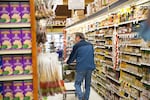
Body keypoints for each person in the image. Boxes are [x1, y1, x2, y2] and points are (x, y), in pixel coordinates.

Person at [67, 32, 95, 100]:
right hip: (90, 67)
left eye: (75, 38)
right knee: (87, 85)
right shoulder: (90, 45)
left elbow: (72, 57)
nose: (74, 39)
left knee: (77, 84)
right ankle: (86, 99)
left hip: (81, 68)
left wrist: (68, 62)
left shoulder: (77, 46)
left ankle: (80, 96)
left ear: (78, 37)